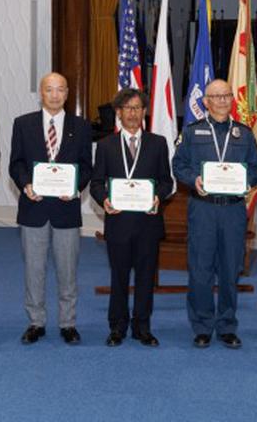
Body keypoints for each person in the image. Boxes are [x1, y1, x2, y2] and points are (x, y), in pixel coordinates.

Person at [172, 79, 257, 349]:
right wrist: (193, 179)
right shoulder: (191, 132)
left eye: (227, 96)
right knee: (200, 269)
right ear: (206, 101)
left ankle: (226, 325)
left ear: (232, 99)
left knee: (230, 269)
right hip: (203, 209)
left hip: (233, 209)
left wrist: (248, 181)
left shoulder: (244, 134)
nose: (222, 100)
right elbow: (178, 165)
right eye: (216, 96)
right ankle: (202, 326)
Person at [9, 72, 93, 345]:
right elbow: (16, 163)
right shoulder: (23, 124)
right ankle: (36, 322)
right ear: (41, 94)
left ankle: (68, 323)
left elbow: (86, 166)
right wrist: (25, 184)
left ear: (67, 94)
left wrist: (76, 188)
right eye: (49, 90)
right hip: (33, 209)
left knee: (67, 270)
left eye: (60, 90)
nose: (54, 95)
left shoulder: (81, 126)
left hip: (66, 211)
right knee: (34, 269)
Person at [90, 89, 174, 347]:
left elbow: (166, 181)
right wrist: (104, 199)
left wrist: (158, 196)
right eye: (127, 108)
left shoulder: (158, 143)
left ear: (144, 112)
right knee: (119, 277)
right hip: (118, 223)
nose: (133, 113)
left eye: (138, 108)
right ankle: (117, 327)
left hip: (148, 223)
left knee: (146, 277)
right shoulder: (105, 145)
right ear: (118, 113)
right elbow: (96, 183)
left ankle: (142, 327)